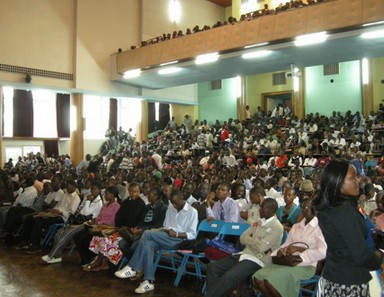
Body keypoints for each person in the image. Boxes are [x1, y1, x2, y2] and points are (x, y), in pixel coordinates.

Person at [313, 159, 383, 296]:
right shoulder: (344, 211)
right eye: (352, 177)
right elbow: (361, 256)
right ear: (337, 181)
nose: (357, 180)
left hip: (333, 276)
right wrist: (380, 253)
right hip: (348, 283)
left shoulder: (329, 207)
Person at [114, 190, 198, 294]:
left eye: (176, 202)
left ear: (182, 199)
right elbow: (166, 225)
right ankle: (149, 281)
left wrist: (176, 234)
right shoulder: (170, 208)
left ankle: (133, 267)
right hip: (165, 236)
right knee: (148, 244)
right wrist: (166, 230)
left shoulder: (192, 211)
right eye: (172, 202)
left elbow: (193, 234)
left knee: (147, 234)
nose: (174, 205)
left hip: (179, 241)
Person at [205, 198, 283, 297]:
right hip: (245, 254)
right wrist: (255, 241)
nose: (260, 210)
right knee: (213, 268)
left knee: (229, 276)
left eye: (263, 208)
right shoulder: (259, 221)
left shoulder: (277, 227)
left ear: (272, 210)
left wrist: (251, 241)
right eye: (261, 207)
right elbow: (242, 238)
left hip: (259, 259)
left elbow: (261, 248)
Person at [254, 199, 327, 297]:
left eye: (309, 207)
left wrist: (299, 249)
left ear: (316, 209)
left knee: (271, 281)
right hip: (288, 261)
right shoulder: (296, 227)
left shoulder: (320, 228)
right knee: (258, 278)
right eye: (304, 207)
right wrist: (281, 250)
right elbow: (287, 243)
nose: (306, 209)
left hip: (306, 265)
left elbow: (323, 252)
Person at [41, 182, 107, 264]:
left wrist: (87, 201)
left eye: (94, 189)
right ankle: (57, 256)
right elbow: (82, 211)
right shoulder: (91, 198)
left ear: (99, 190)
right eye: (91, 189)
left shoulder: (99, 202)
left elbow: (86, 213)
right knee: (60, 232)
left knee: (67, 234)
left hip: (88, 224)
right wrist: (87, 201)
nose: (92, 191)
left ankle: (51, 255)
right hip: (81, 222)